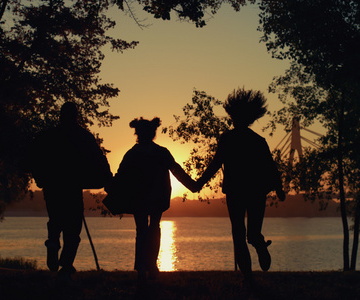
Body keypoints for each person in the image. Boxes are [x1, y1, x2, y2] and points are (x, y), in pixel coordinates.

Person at [195, 88, 286, 287]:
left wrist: (199, 184)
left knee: (239, 234)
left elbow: (215, 163)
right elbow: (271, 167)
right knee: (252, 233)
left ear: (234, 116)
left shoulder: (228, 138)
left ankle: (248, 276)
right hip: (256, 191)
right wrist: (279, 189)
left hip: (236, 191)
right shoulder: (258, 141)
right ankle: (258, 247)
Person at [30, 102, 111, 280]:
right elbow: (99, 158)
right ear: (76, 116)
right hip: (72, 187)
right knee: (73, 227)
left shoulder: (48, 136)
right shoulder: (83, 136)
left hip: (52, 187)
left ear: (61, 116)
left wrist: (40, 178)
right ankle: (66, 265)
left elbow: (32, 157)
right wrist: (107, 178)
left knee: (55, 219)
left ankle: (52, 243)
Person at [111, 117, 197, 282]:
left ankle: (143, 267)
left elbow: (120, 176)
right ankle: (150, 265)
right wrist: (192, 185)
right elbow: (176, 170)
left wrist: (111, 188)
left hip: (141, 198)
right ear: (152, 134)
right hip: (156, 197)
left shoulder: (132, 154)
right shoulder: (160, 152)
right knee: (153, 228)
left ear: (138, 134)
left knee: (142, 230)